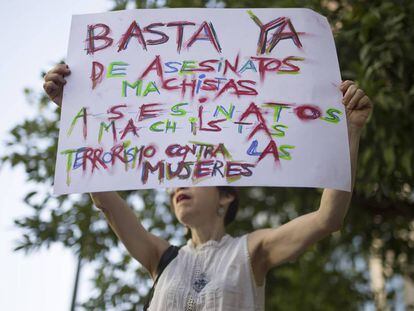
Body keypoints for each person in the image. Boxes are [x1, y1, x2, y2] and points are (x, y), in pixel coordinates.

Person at [43, 63, 373, 310]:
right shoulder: (160, 256)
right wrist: (74, 112)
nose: (177, 188)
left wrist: (350, 132)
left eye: (193, 176)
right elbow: (104, 199)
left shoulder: (252, 251)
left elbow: (328, 218)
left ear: (226, 196)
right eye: (174, 183)